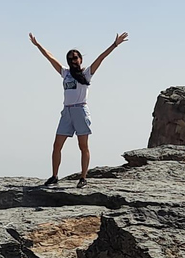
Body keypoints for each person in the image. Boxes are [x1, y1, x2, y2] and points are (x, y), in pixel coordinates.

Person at [29, 32, 128, 188]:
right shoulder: (65, 73)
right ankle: (54, 176)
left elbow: (101, 58)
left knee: (83, 146)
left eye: (75, 58)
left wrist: (114, 45)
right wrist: (38, 45)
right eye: (70, 59)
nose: (73, 60)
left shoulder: (86, 74)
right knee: (57, 145)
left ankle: (83, 177)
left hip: (80, 111)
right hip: (67, 112)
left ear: (80, 59)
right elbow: (50, 57)